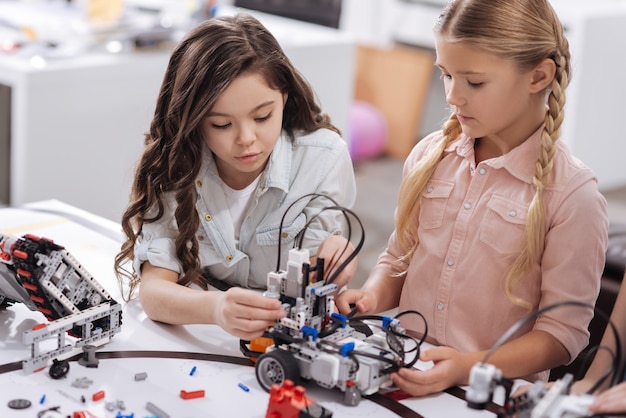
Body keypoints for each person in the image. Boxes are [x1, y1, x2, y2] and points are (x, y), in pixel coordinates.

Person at [335, 0, 609, 397]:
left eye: (473, 82)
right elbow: (399, 258)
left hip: (490, 395)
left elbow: (562, 335)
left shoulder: (572, 196)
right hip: (410, 375)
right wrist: (373, 294)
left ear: (538, 76)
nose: (452, 97)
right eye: (445, 75)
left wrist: (468, 367)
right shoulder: (429, 157)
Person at [114, 14, 357, 341]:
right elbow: (155, 292)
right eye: (221, 125)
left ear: (284, 96)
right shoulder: (177, 165)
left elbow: (316, 282)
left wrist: (332, 265)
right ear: (194, 121)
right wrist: (215, 308)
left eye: (262, 116)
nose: (246, 138)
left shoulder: (323, 158)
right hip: (201, 331)